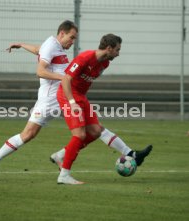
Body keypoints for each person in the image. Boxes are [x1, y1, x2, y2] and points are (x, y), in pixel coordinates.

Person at [0, 20, 78, 181]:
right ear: (62, 33)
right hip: (50, 100)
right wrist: (64, 78)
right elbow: (40, 71)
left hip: (59, 97)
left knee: (84, 128)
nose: (73, 42)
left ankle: (60, 157)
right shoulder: (52, 45)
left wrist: (22, 45)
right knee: (28, 134)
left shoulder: (52, 44)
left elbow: (39, 50)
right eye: (71, 38)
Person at [55, 34, 152, 184]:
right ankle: (64, 175)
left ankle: (61, 155)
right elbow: (66, 79)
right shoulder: (84, 57)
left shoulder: (105, 63)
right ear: (109, 48)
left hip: (81, 97)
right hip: (67, 96)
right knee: (79, 135)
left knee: (96, 131)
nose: (118, 54)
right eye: (117, 50)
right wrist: (72, 102)